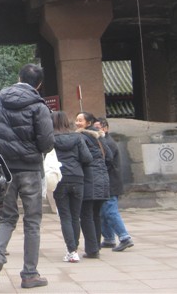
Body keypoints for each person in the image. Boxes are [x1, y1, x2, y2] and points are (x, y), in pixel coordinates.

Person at [0, 64, 54, 290]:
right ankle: (30, 274)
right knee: (32, 221)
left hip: (4, 169)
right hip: (31, 169)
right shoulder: (39, 106)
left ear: (19, 77)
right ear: (39, 84)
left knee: (7, 217)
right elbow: (47, 142)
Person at [51, 111, 92, 263]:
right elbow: (87, 157)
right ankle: (74, 248)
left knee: (65, 216)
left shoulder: (50, 139)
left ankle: (71, 250)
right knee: (75, 216)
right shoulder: (77, 137)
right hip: (77, 177)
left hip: (59, 178)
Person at [75, 111, 111, 259]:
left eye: (80, 121)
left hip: (89, 179)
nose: (77, 123)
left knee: (86, 215)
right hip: (103, 179)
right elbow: (109, 156)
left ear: (88, 123)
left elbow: (84, 157)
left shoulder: (81, 137)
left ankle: (91, 249)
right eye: (77, 120)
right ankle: (96, 246)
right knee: (95, 214)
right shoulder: (100, 138)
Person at [96, 117, 134, 252]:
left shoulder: (107, 143)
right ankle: (109, 238)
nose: (95, 130)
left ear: (105, 128)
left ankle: (125, 237)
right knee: (102, 212)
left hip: (110, 182)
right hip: (105, 182)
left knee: (110, 211)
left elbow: (107, 161)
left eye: (98, 128)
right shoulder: (102, 141)